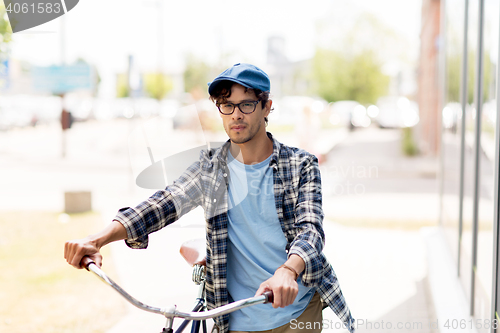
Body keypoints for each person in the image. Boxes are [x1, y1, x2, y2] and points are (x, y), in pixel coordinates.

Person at [64, 63, 355, 333]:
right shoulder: (210, 169)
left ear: (267, 106)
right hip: (234, 316)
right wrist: (97, 240)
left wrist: (288, 271)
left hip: (296, 312)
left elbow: (310, 230)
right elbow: (160, 204)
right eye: (227, 106)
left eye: (246, 104)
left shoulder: (300, 164)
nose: (236, 115)